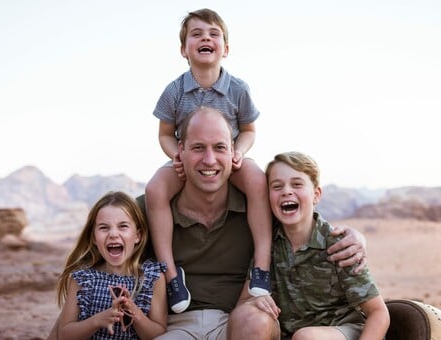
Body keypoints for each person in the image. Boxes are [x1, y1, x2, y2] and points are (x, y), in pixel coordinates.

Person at [139, 106, 368, 339]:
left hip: (237, 322)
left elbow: (303, 224)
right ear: (181, 150)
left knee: (254, 320)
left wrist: (356, 237)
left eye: (219, 147)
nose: (209, 160)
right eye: (198, 148)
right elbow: (108, 233)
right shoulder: (152, 208)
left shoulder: (257, 206)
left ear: (233, 152)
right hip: (177, 326)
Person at [144, 8, 274, 313]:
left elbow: (249, 129)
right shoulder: (174, 91)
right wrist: (174, 154)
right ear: (183, 49)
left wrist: (238, 151)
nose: (206, 38)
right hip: (189, 159)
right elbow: (164, 134)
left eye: (214, 34)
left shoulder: (238, 89)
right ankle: (172, 275)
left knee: (257, 180)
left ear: (225, 49)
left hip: (228, 157)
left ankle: (263, 266)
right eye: (197, 34)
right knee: (154, 190)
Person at [249, 151, 390, 339]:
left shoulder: (340, 245)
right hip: (290, 334)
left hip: (341, 330)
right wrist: (257, 303)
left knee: (307, 337)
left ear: (316, 195)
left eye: (297, 184)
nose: (286, 191)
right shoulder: (268, 244)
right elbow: (247, 300)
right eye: (277, 186)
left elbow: (378, 313)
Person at [54, 191, 167, 340]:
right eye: (104, 228)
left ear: (137, 236)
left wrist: (133, 311)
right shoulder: (83, 279)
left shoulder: (152, 278)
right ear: (94, 237)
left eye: (123, 226)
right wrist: (97, 320)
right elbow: (64, 335)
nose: (113, 234)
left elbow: (159, 334)